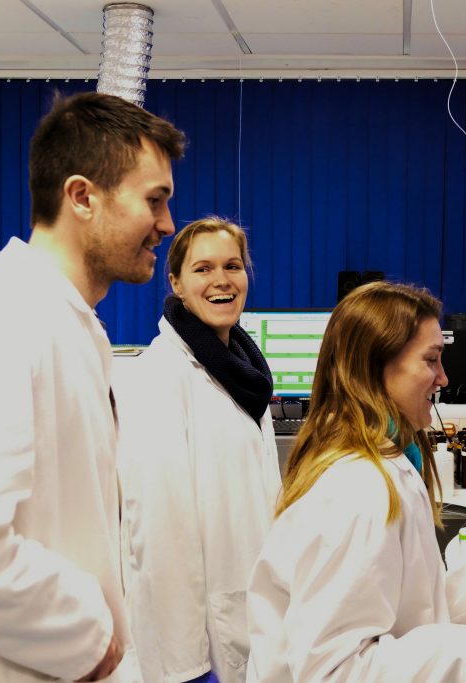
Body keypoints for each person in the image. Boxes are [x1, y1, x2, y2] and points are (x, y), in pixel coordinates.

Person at [0, 92, 185, 682]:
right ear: (82, 196)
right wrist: (87, 635)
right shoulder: (0, 317)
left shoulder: (68, 322)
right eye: (154, 200)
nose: (167, 225)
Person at [245, 281, 466, 683]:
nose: (443, 378)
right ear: (375, 367)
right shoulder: (358, 488)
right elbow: (332, 671)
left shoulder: (386, 459)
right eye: (431, 360)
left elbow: (397, 605)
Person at [115, 217, 282, 683]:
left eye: (233, 265)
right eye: (203, 269)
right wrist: (185, 665)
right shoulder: (160, 377)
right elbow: (158, 529)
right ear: (176, 283)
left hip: (251, 610)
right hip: (202, 638)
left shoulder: (245, 372)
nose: (221, 281)